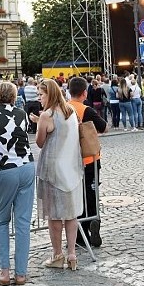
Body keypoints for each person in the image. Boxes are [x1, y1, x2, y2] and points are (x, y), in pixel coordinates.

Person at [0, 81, 34, 286]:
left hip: (3, 170)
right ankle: (21, 273)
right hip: (26, 166)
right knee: (23, 223)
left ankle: (4, 271)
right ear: (14, 96)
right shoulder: (21, 113)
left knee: (2, 221)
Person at [33, 78, 84, 271]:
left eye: (41, 94)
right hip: (71, 167)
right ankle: (72, 253)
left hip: (53, 170)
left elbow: (39, 141)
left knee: (54, 215)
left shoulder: (48, 115)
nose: (39, 98)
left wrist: (38, 123)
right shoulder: (70, 111)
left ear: (50, 94)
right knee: (71, 215)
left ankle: (57, 255)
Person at [67, 76, 107, 248]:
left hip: (69, 160)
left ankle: (76, 233)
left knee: (74, 196)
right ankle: (91, 222)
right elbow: (104, 126)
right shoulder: (85, 110)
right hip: (88, 159)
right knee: (90, 195)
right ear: (84, 93)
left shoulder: (63, 108)